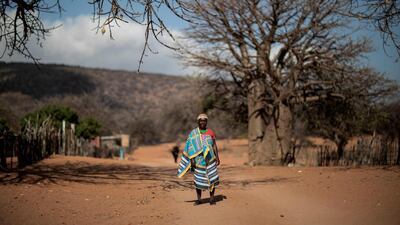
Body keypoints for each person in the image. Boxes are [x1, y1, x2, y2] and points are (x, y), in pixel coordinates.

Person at [177, 113, 220, 205]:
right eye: (201, 121)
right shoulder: (193, 133)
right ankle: (199, 199)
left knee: (211, 177)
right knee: (198, 179)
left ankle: (212, 199)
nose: (202, 122)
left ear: (206, 122)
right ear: (198, 122)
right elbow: (190, 147)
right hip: (198, 160)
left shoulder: (210, 132)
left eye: (204, 121)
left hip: (210, 159)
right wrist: (192, 160)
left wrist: (217, 157)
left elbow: (214, 145)